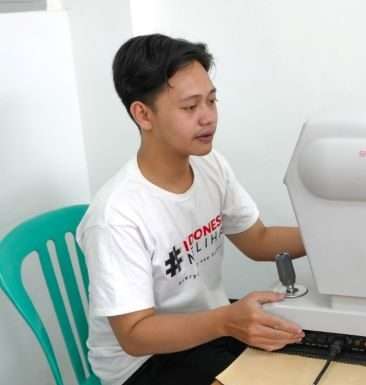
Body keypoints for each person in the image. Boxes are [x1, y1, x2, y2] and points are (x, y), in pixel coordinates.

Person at [77, 34, 305, 385]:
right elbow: (135, 335)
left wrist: (332, 238)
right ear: (143, 114)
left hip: (206, 333)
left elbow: (258, 240)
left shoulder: (210, 165)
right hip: (142, 364)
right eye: (190, 107)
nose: (208, 118)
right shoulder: (116, 216)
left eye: (212, 101)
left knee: (305, 357)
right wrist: (226, 320)